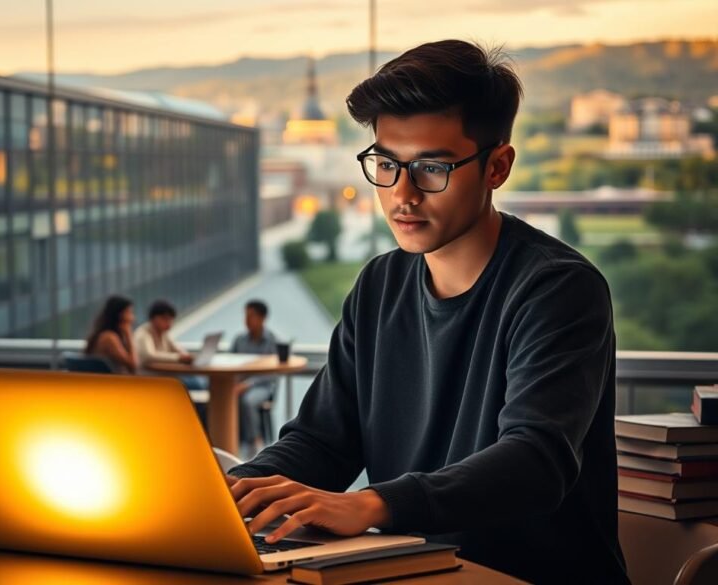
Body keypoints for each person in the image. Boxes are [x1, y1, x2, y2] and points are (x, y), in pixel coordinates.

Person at [227, 40, 628, 585]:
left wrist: (370, 506)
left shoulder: (558, 290)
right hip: (409, 573)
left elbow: (536, 462)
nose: (403, 194)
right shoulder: (379, 285)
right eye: (387, 164)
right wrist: (227, 494)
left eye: (432, 167)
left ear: (497, 167)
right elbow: (322, 441)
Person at [231, 300, 279, 455]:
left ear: (262, 318)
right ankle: (229, 442)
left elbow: (271, 372)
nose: (246, 320)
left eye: (251, 316)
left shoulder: (272, 341)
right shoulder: (239, 340)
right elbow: (229, 363)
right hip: (238, 385)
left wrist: (248, 384)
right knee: (222, 398)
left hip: (262, 386)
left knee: (248, 401)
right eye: (245, 316)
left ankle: (255, 441)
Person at [133, 300, 194, 369]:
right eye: (165, 319)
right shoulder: (142, 334)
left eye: (171, 319)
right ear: (153, 318)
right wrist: (178, 358)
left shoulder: (163, 333)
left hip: (165, 373)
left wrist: (185, 355)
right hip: (150, 376)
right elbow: (149, 356)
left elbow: (176, 348)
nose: (169, 323)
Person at [85, 295, 137, 374]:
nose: (133, 318)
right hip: (110, 383)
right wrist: (128, 334)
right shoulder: (109, 338)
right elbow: (133, 365)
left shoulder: (107, 334)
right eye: (129, 312)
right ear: (119, 315)